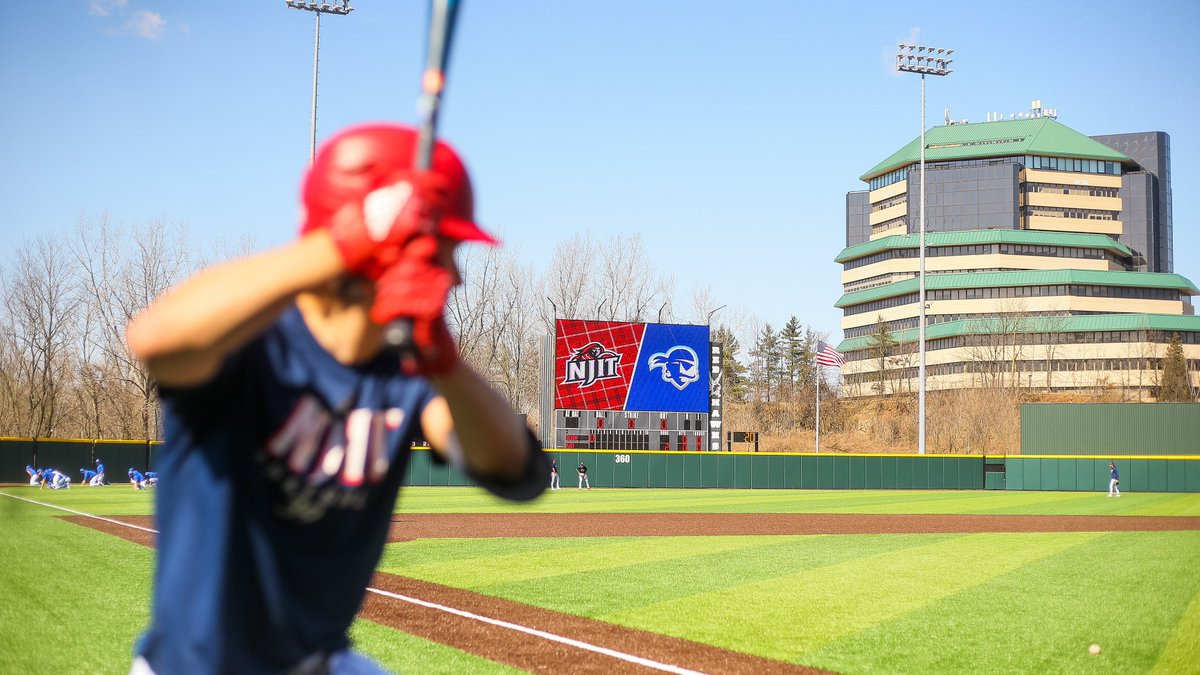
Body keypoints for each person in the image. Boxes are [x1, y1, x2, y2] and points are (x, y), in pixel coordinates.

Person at [124, 123, 547, 675]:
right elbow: (156, 341)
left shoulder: (409, 373)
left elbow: (515, 469)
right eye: (442, 250)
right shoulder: (250, 343)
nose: (455, 275)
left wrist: (444, 361)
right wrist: (347, 242)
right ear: (380, 251)